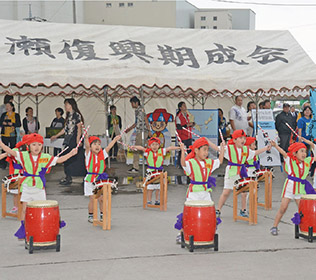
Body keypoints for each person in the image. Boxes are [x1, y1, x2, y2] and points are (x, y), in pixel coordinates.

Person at [0, 133, 78, 239]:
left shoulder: (45, 157)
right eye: (33, 145)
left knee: (42, 208)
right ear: (28, 146)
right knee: (24, 209)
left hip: (39, 187)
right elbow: (10, 151)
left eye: (39, 145)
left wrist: (71, 154)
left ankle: (45, 226)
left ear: (42, 146)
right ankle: (23, 229)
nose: (36, 147)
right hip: (27, 186)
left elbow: (59, 160)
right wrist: (1, 143)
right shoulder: (23, 155)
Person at [216, 130, 271, 218]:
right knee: (226, 192)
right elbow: (217, 149)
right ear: (234, 140)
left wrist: (265, 148)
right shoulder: (229, 148)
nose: (243, 140)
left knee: (244, 192)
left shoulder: (246, 150)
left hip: (242, 172)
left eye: (244, 138)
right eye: (241, 138)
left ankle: (243, 210)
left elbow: (254, 153)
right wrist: (220, 146)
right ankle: (218, 210)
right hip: (231, 171)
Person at [270, 138, 316, 236]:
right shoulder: (290, 160)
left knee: (303, 210)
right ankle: (274, 226)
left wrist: (310, 143)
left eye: (305, 151)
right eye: (301, 151)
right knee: (283, 208)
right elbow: (283, 152)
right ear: (295, 153)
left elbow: (314, 153)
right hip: (290, 187)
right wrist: (275, 146)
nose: (304, 154)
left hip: (300, 188)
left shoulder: (307, 161)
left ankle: (305, 228)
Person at [84, 134, 122, 223]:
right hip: (90, 180)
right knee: (93, 199)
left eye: (99, 144)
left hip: (100, 179)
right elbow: (86, 146)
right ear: (90, 146)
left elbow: (109, 147)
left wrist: (115, 139)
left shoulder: (102, 154)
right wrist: (86, 138)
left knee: (101, 199)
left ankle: (102, 214)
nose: (97, 146)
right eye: (94, 144)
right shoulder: (88, 154)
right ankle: (91, 215)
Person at [131, 137, 180, 205]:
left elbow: (170, 148)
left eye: (156, 144)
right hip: (150, 173)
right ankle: (149, 201)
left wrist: (179, 147)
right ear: (149, 146)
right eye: (153, 144)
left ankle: (157, 200)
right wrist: (134, 146)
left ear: (159, 145)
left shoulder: (161, 151)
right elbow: (141, 148)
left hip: (159, 172)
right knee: (150, 188)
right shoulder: (148, 152)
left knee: (158, 188)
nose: (154, 146)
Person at [51, 98, 85, 185]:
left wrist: (78, 140)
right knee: (67, 158)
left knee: (78, 158)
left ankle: (84, 177)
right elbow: (65, 129)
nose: (65, 106)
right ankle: (68, 176)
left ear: (71, 105)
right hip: (68, 138)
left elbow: (79, 128)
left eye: (66, 104)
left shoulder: (76, 115)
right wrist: (56, 135)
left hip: (74, 138)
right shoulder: (68, 115)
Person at [126, 96, 152, 174]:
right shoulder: (137, 110)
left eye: (132, 103)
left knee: (136, 148)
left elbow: (146, 119)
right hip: (141, 131)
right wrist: (130, 129)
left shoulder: (141, 110)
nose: (131, 105)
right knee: (145, 148)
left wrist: (149, 130)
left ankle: (136, 167)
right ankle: (151, 165)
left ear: (136, 103)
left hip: (142, 132)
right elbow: (137, 122)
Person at [0, 102, 21, 169]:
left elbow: (19, 124)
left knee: (13, 149)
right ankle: (3, 164)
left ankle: (13, 163)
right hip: (4, 134)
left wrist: (12, 124)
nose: (7, 107)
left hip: (12, 134)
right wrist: (3, 123)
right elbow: (0, 123)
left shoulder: (16, 115)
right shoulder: (4, 115)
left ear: (12, 107)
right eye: (6, 106)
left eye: (8, 106)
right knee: (4, 149)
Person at [175, 102, 194, 166]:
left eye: (185, 105)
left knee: (189, 150)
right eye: (183, 106)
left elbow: (185, 125)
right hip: (182, 136)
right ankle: (179, 164)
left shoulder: (186, 115)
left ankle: (190, 163)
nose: (185, 107)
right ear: (180, 108)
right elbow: (179, 127)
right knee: (182, 150)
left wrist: (191, 124)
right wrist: (187, 125)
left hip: (188, 135)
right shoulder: (179, 116)